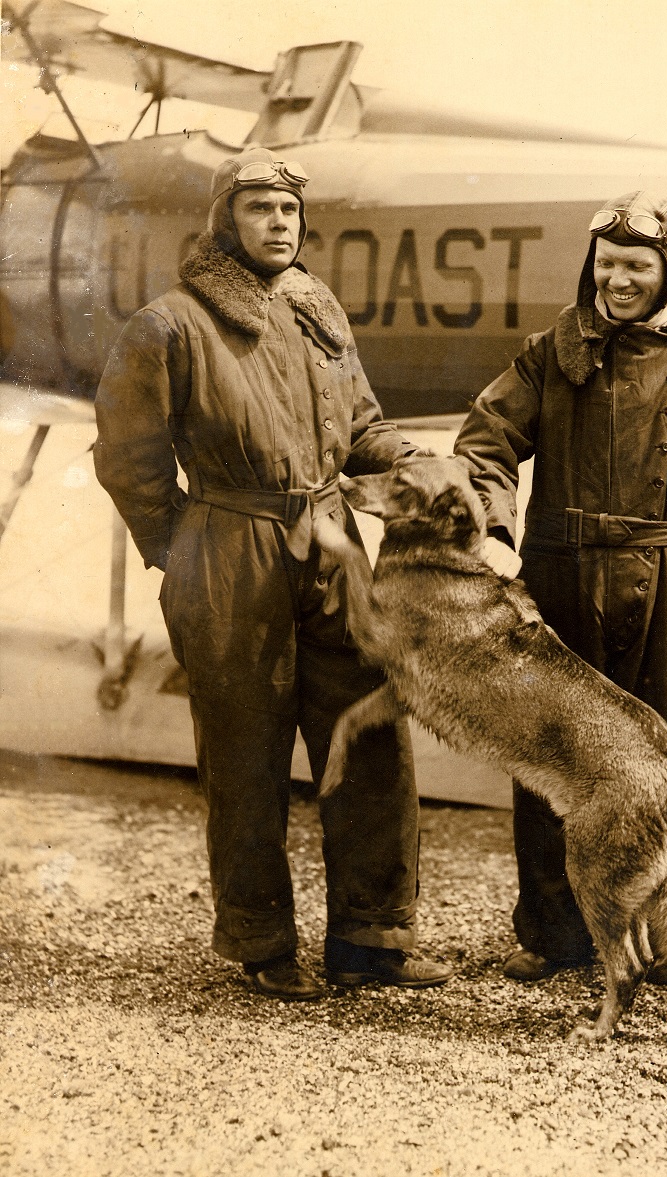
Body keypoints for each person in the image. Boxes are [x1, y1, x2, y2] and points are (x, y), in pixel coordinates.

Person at [93, 147, 453, 1000]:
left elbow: (360, 427)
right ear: (226, 221)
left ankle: (371, 937)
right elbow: (127, 459)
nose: (280, 224)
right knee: (245, 751)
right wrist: (182, 549)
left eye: (289, 211)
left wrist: (415, 458)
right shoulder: (169, 325)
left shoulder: (317, 307)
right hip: (229, 550)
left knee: (367, 733)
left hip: (332, 546)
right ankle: (262, 943)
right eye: (260, 210)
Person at [454, 190, 667, 981]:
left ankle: (662, 942)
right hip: (561, 579)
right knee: (552, 760)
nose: (619, 280)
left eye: (637, 265)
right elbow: (484, 440)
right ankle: (555, 938)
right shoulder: (552, 349)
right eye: (608, 263)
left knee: (663, 767)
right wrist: (494, 528)